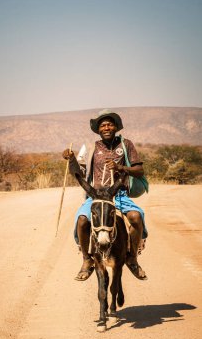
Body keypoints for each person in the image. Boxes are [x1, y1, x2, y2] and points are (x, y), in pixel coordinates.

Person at [63, 109, 148, 281]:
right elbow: (77, 173)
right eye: (103, 125)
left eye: (109, 124)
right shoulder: (91, 146)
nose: (106, 127)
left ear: (116, 127)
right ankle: (87, 260)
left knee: (136, 217)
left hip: (119, 194)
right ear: (98, 129)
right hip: (96, 195)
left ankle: (132, 258)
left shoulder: (126, 145)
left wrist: (120, 168)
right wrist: (71, 159)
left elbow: (139, 170)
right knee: (81, 220)